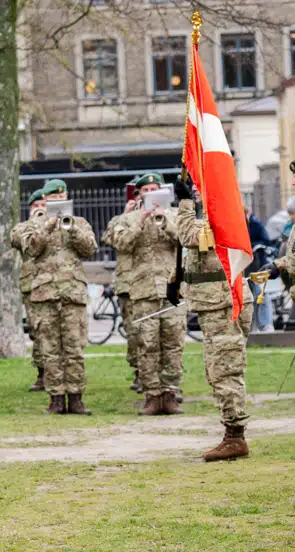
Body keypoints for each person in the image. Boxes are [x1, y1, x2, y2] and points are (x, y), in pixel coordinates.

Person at [168, 175, 249, 460]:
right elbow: (194, 254)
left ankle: (235, 435)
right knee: (216, 369)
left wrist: (185, 203)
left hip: (223, 304)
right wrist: (175, 280)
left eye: (201, 189)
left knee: (225, 370)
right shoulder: (210, 215)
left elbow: (189, 236)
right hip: (212, 304)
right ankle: (232, 431)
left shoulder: (224, 213)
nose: (197, 193)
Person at [108, 173, 182, 415]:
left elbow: (184, 240)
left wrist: (163, 221)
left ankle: (170, 394)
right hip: (142, 290)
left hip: (172, 289)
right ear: (139, 194)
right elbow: (121, 244)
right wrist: (141, 219)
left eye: (155, 188)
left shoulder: (174, 215)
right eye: (146, 189)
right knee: (147, 344)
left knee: (173, 344)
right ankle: (152, 395)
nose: (151, 192)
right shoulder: (127, 218)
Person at [23, 178, 96, 415]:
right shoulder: (35, 224)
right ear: (45, 200)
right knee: (51, 350)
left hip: (72, 294)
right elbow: (30, 249)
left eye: (61, 198)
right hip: (45, 295)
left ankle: (76, 398)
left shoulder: (79, 222)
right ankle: (55, 398)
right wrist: (48, 225)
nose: (58, 202)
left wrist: (71, 227)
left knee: (74, 348)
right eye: (53, 199)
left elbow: (89, 249)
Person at [104, 178, 143, 392]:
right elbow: (111, 239)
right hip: (129, 284)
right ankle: (139, 372)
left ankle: (166, 381)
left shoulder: (165, 216)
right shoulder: (121, 220)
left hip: (157, 284)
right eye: (138, 195)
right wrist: (126, 214)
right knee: (133, 331)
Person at [12, 186, 48, 391]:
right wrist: (37, 223)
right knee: (37, 331)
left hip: (55, 285)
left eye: (44, 205)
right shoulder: (23, 227)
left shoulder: (60, 224)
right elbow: (18, 242)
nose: (41, 209)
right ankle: (42, 373)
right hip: (32, 286)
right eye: (37, 205)